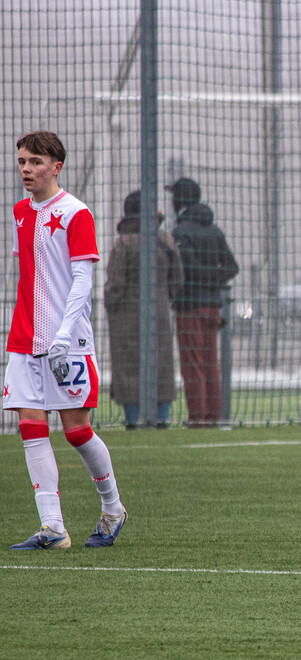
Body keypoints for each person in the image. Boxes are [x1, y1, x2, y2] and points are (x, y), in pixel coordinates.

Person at [5, 131, 127, 549]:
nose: (26, 169)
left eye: (35, 161)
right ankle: (53, 528)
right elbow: (29, 277)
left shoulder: (77, 213)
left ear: (56, 166)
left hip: (67, 343)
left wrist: (62, 335)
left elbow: (81, 280)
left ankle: (113, 508)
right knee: (30, 428)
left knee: (76, 432)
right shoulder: (20, 211)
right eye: (22, 161)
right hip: (24, 340)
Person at [105, 190, 184, 429]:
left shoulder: (124, 243)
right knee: (161, 364)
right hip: (159, 312)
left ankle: (133, 419)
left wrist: (111, 302)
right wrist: (163, 297)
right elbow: (178, 280)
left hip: (126, 317)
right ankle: (162, 417)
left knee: (129, 367)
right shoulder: (165, 240)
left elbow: (116, 284)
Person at [166, 177, 239, 428]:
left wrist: (200, 281)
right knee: (211, 363)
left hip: (189, 306)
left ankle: (197, 418)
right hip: (213, 305)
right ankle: (213, 416)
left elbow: (186, 269)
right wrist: (214, 283)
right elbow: (231, 267)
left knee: (192, 364)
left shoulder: (181, 232)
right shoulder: (214, 230)